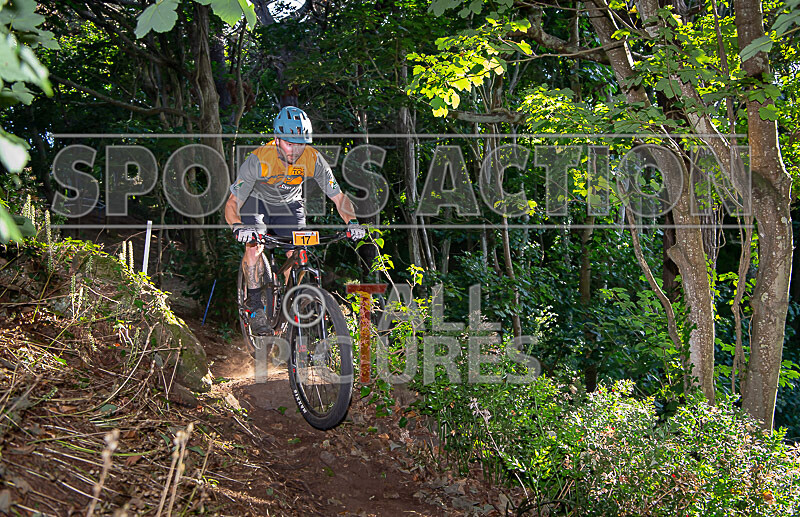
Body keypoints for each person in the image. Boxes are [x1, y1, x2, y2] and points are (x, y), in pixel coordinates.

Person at [224, 106, 365, 334]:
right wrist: (238, 227)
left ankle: (292, 302)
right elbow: (232, 203)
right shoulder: (259, 159)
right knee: (254, 246)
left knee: (298, 251)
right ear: (277, 139)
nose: (295, 149)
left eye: (301, 143)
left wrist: (353, 222)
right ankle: (255, 305)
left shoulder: (312, 159)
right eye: (290, 143)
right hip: (257, 202)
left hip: (289, 206)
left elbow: (339, 198)